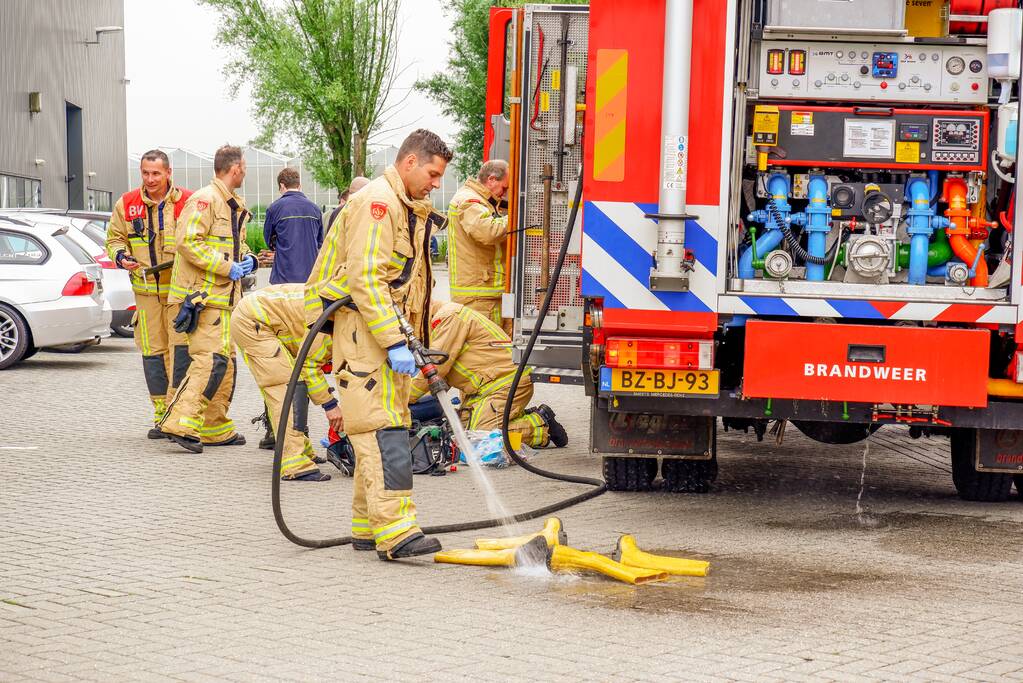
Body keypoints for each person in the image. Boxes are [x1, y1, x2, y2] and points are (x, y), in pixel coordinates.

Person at [306, 129, 451, 560]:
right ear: (410, 162)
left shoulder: (403, 206)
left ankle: (366, 527)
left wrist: (404, 340)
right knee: (381, 430)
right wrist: (393, 341)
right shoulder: (379, 204)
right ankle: (396, 531)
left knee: (383, 425)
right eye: (433, 174)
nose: (436, 184)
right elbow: (366, 278)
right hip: (364, 332)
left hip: (380, 331)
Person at [159, 145, 258, 453]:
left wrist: (249, 259)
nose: (245, 172)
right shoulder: (206, 200)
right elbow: (188, 242)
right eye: (244, 167)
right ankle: (180, 422)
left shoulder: (230, 203)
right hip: (204, 298)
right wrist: (228, 267)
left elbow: (234, 245)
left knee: (224, 363)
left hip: (223, 298)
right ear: (236, 168)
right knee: (209, 360)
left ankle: (214, 426)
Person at [105, 150, 192, 437]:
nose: (150, 179)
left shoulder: (188, 202)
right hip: (145, 294)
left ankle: (179, 413)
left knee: (182, 354)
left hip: (179, 294)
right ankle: (161, 414)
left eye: (156, 173)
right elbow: (114, 239)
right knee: (153, 354)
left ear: (168, 173)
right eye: (145, 173)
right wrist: (121, 256)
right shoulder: (127, 203)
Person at [410, 300, 567, 449]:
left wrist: (405, 399)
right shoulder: (439, 323)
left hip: (506, 384)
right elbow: (441, 377)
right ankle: (512, 417)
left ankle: (540, 424)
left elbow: (435, 368)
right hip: (486, 389)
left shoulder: (449, 317)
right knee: (457, 431)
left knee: (477, 437)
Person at [232, 284, 342, 481]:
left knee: (297, 386)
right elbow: (309, 366)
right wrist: (330, 405)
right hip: (254, 321)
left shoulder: (344, 316)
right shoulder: (331, 327)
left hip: (269, 318)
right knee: (284, 389)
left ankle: (301, 449)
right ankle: (295, 463)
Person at [447, 159, 511, 332]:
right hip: (478, 297)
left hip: (485, 294)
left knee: (497, 344)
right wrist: (517, 217)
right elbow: (487, 231)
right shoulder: (469, 201)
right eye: (504, 188)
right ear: (491, 180)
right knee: (484, 346)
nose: (504, 194)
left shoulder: (485, 201)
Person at [263, 167, 324, 285]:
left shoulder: (274, 209)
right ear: (299, 186)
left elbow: (268, 240)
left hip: (284, 275)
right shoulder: (315, 209)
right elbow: (319, 242)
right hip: (310, 275)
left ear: (282, 185)